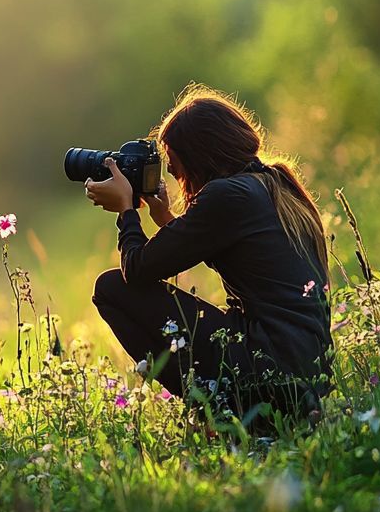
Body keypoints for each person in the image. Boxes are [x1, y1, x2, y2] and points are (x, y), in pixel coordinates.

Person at [84, 85, 332, 424]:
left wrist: (126, 210)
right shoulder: (273, 183)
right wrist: (165, 220)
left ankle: (223, 410)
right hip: (304, 371)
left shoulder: (227, 195)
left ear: (199, 154)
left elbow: (137, 271)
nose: (172, 172)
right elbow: (235, 253)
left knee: (112, 289)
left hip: (269, 367)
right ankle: (234, 406)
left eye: (174, 160)